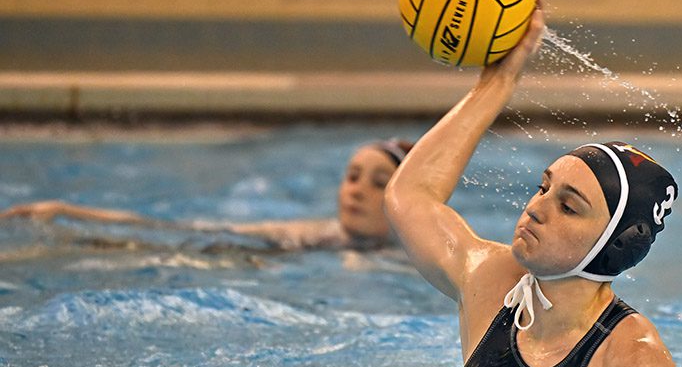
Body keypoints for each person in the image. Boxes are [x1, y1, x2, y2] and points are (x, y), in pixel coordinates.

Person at [384, 5, 682, 367]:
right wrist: (498, 81)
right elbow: (409, 197)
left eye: (568, 206)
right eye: (543, 188)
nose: (536, 208)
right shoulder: (491, 280)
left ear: (615, 243)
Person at [0, 139, 413, 252]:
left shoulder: (410, 262)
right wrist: (69, 211)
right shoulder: (305, 234)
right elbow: (177, 229)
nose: (357, 190)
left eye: (378, 183)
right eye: (352, 176)